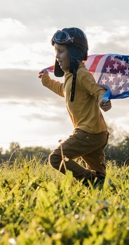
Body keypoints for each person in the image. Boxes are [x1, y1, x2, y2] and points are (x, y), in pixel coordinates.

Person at [38, 27, 112, 188]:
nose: (57, 56)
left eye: (61, 51)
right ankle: (108, 191)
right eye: (56, 51)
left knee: (57, 158)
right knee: (101, 178)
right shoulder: (71, 77)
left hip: (88, 132)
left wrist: (103, 100)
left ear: (74, 52)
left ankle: (92, 180)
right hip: (97, 133)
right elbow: (64, 90)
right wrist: (46, 81)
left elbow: (97, 89)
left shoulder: (82, 75)